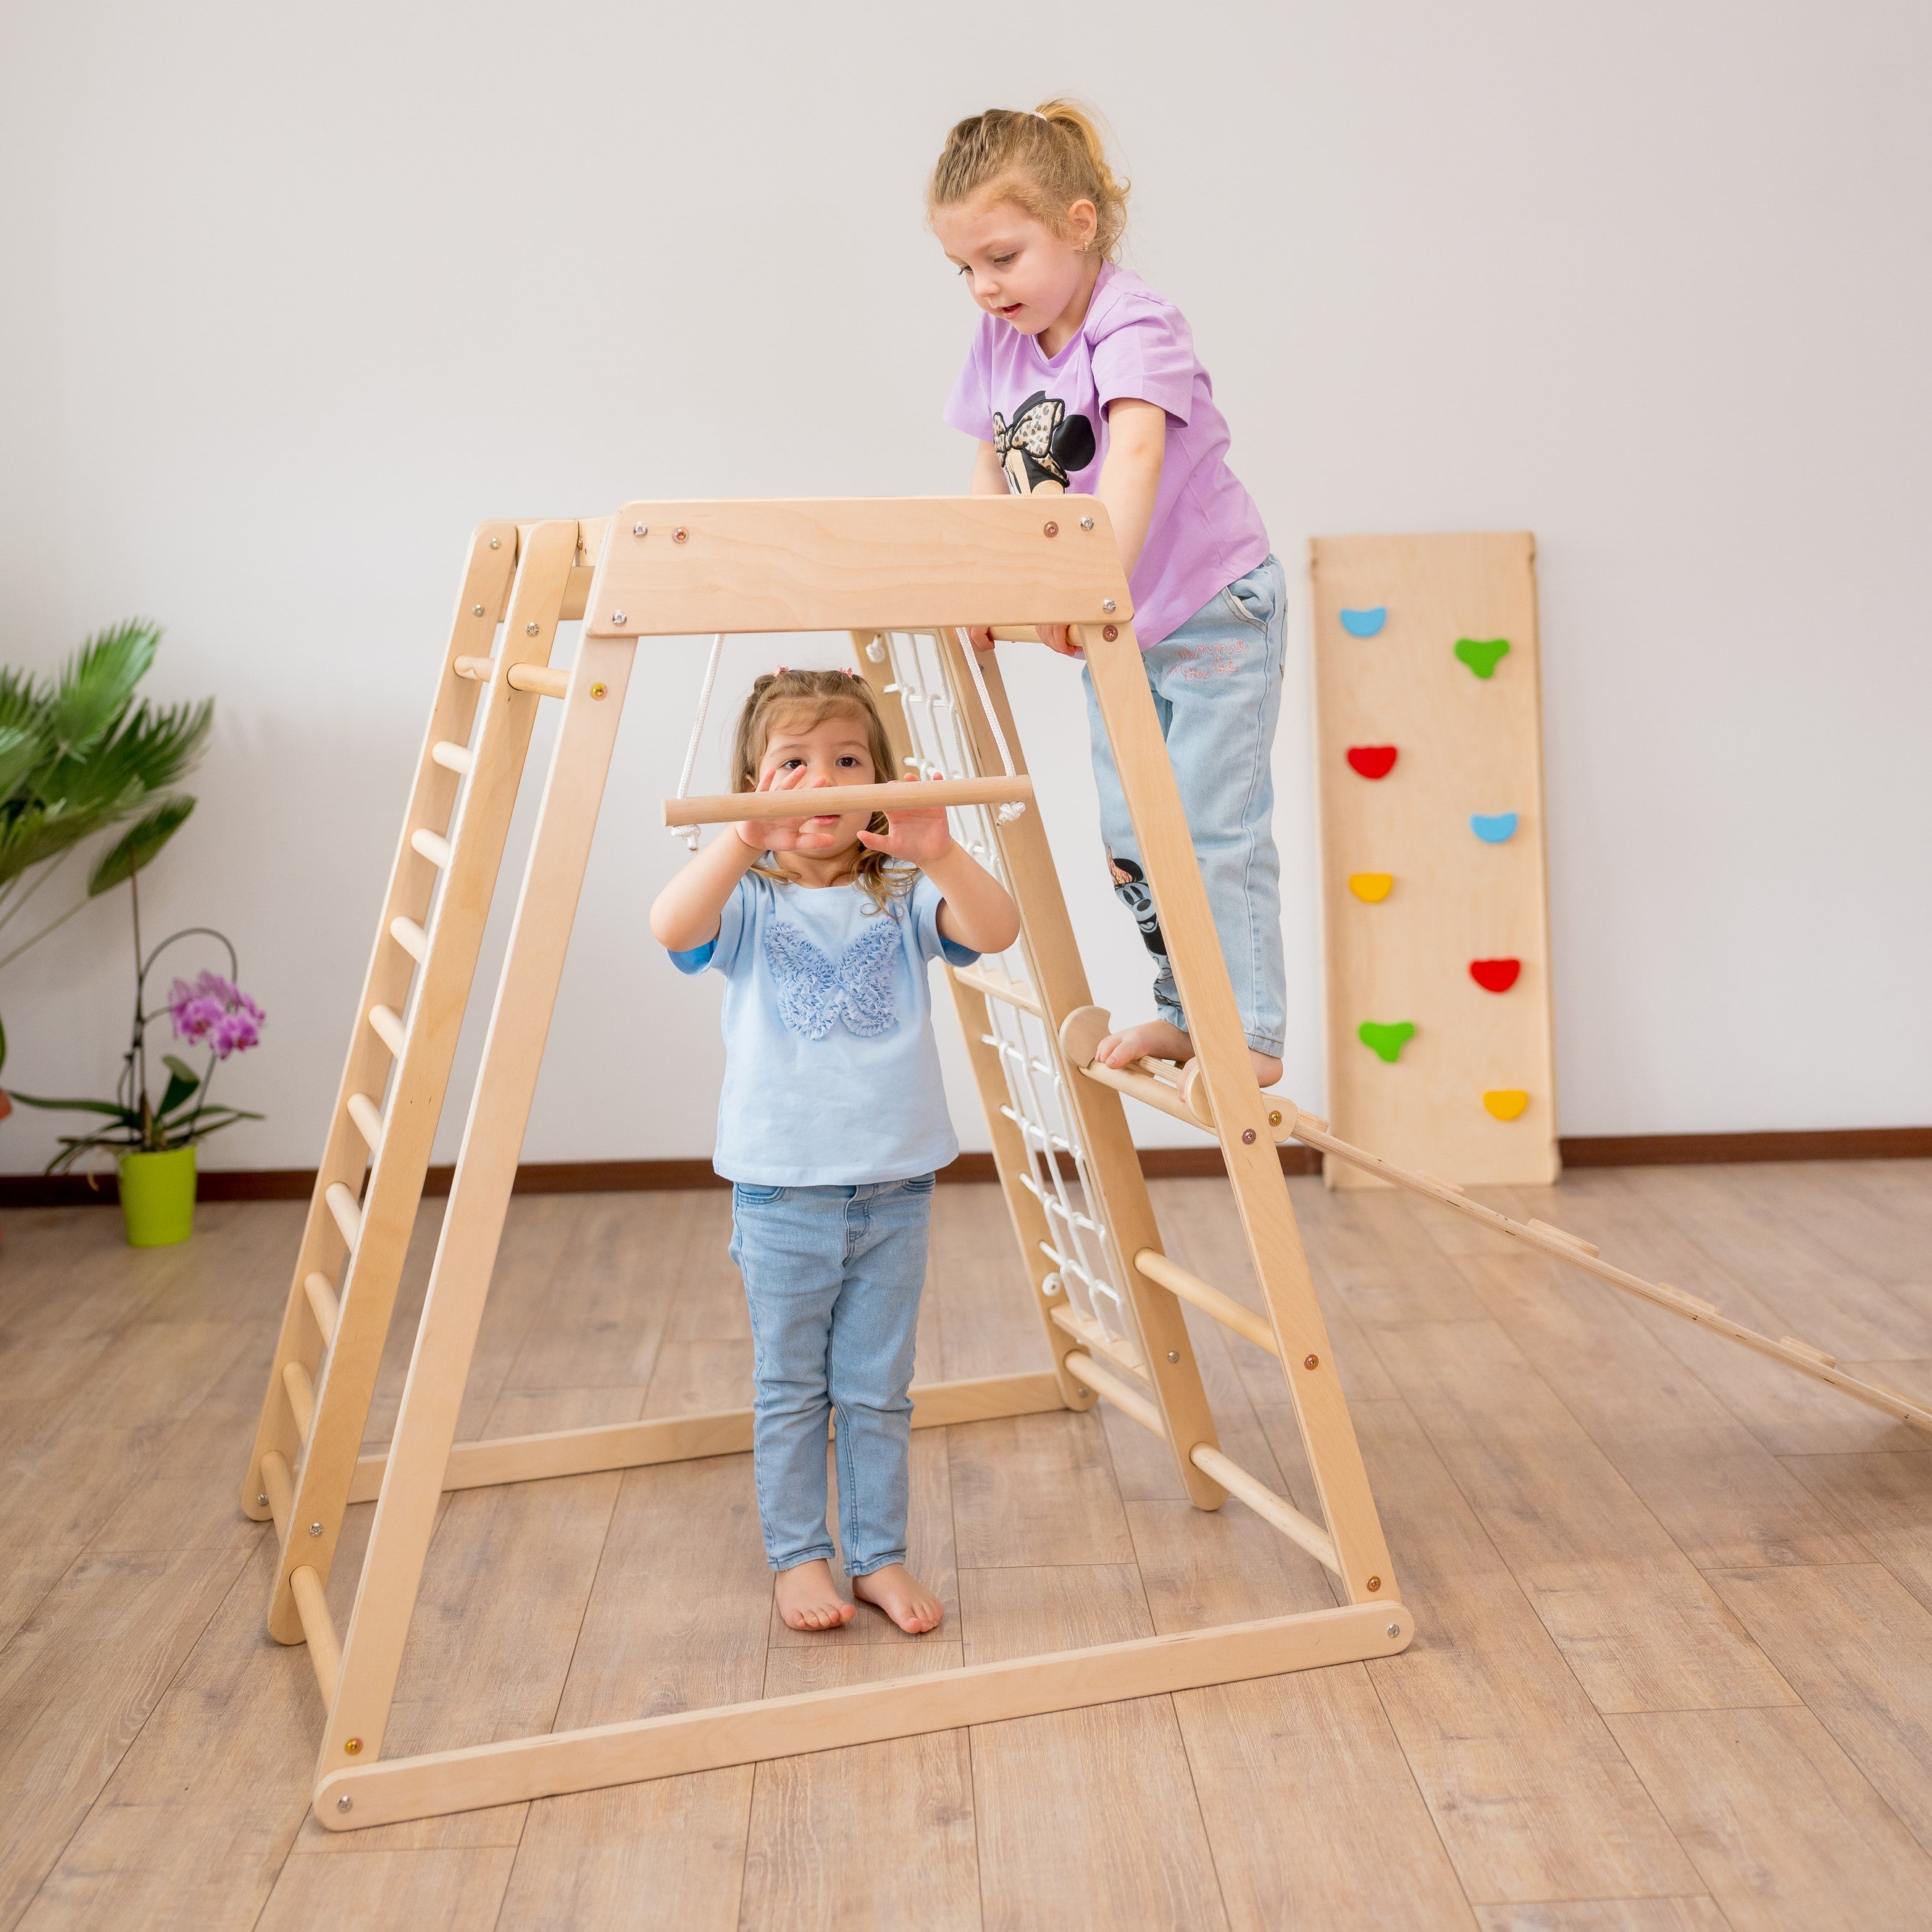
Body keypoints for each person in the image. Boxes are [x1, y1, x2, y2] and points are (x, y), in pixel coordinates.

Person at [649, 667, 1019, 1633]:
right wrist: (740, 839)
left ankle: (876, 1555)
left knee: (875, 1389)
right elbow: (670, 926)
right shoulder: (749, 905)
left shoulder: (899, 901)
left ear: (880, 788)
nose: (825, 782)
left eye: (848, 761)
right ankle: (798, 1558)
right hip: (782, 1197)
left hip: (895, 1190)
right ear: (758, 788)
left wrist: (940, 853)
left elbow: (996, 928)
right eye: (795, 764)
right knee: (790, 1388)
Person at [930, 100, 1287, 1089]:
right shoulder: (1002, 341)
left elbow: (1131, 461)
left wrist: (1085, 590)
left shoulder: (1134, 323)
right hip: (1117, 622)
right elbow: (991, 469)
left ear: (1078, 225)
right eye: (964, 267)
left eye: (1002, 257)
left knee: (1213, 824)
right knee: (1133, 837)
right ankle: (1188, 1011)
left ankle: (1248, 1033)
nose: (983, 286)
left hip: (1211, 606)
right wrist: (994, 583)